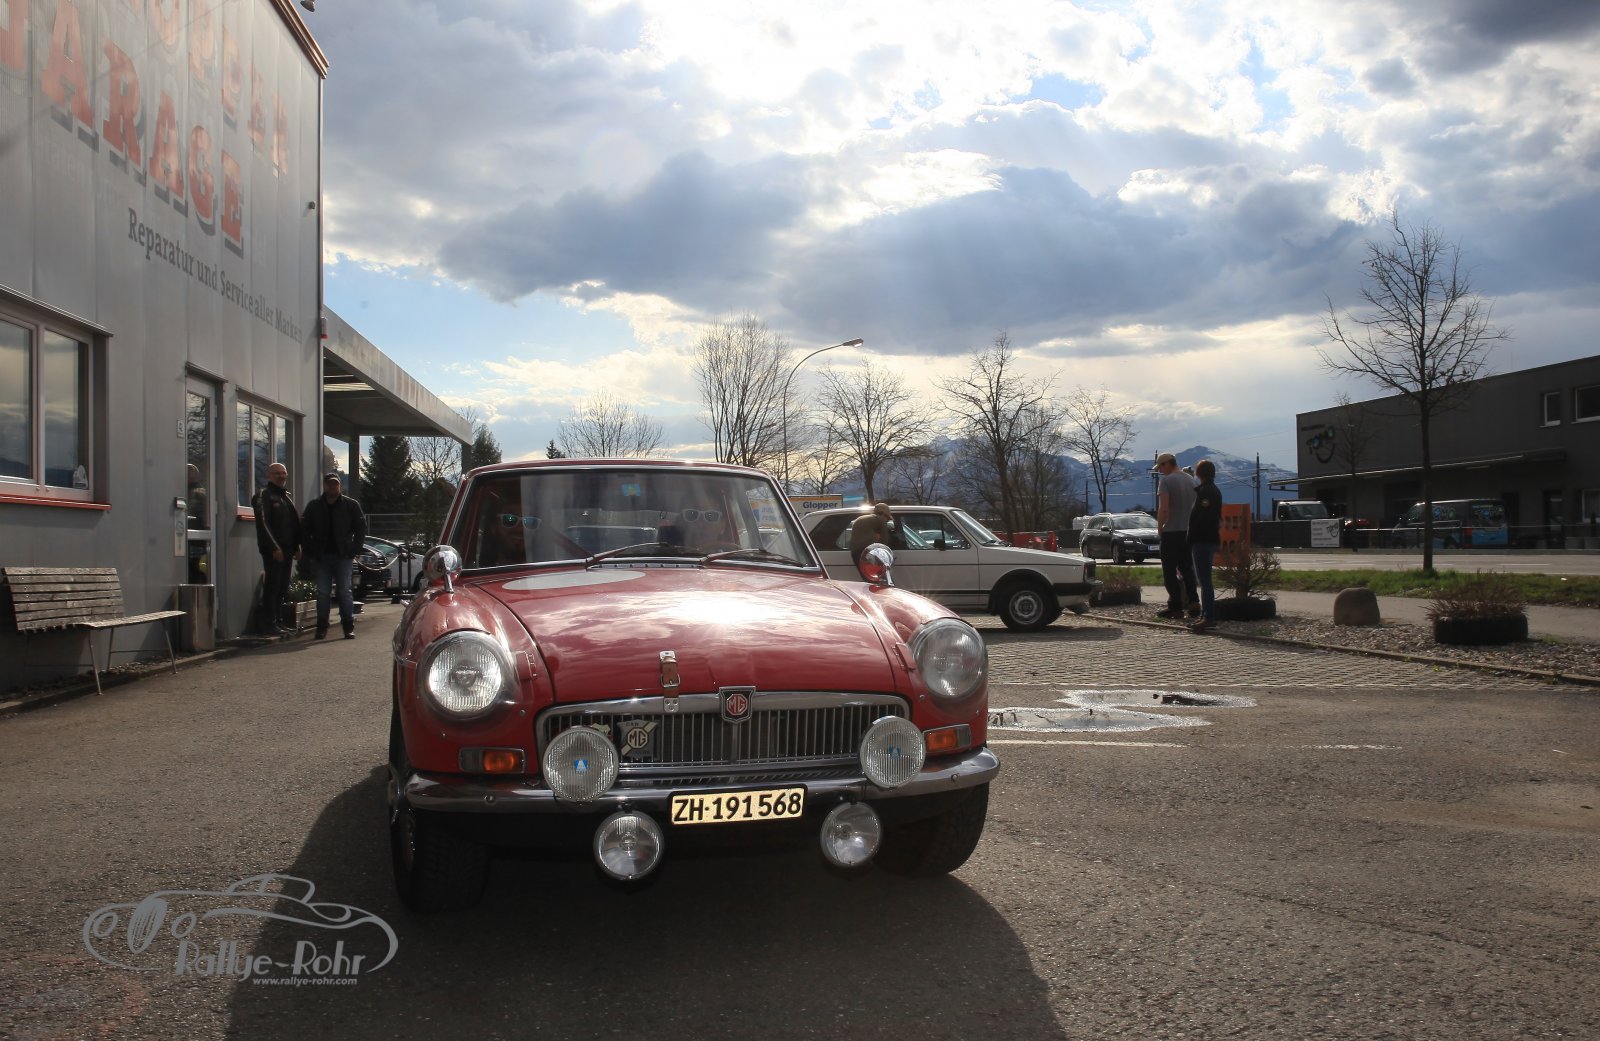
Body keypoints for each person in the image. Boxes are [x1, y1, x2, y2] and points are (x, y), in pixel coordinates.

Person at [300, 472, 367, 640]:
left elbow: (361, 527)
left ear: (340, 486)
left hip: (343, 556)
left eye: (335, 484)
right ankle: (322, 627)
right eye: (330, 484)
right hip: (322, 557)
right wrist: (309, 550)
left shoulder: (351, 505)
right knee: (323, 592)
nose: (332, 487)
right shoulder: (314, 506)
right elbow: (304, 529)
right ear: (324, 486)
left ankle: (348, 626)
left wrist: (354, 549)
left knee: (344, 591)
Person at [252, 462, 302, 635]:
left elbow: (294, 525)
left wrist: (297, 546)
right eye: (277, 473)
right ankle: (269, 623)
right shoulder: (263, 495)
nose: (281, 476)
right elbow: (263, 524)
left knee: (282, 586)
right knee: (272, 585)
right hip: (273, 551)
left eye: (283, 473)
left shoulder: (285, 497)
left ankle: (279, 621)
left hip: (288, 549)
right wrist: (274, 547)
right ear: (269, 475)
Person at [1154, 452, 1198, 620]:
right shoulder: (1191, 480)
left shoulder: (1166, 481)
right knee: (1187, 568)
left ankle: (1175, 606)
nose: (1160, 471)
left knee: (1169, 570)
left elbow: (1164, 508)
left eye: (1160, 467)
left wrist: (1160, 527)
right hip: (1187, 531)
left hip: (1171, 532)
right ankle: (1194, 602)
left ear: (1167, 464)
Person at [1187, 459, 1222, 633]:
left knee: (1205, 580)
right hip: (1208, 539)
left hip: (1203, 540)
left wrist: (1192, 536)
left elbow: (1203, 518)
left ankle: (1208, 617)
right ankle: (1205, 615)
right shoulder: (1212, 490)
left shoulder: (1206, 492)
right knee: (1204, 580)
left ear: (1199, 473)